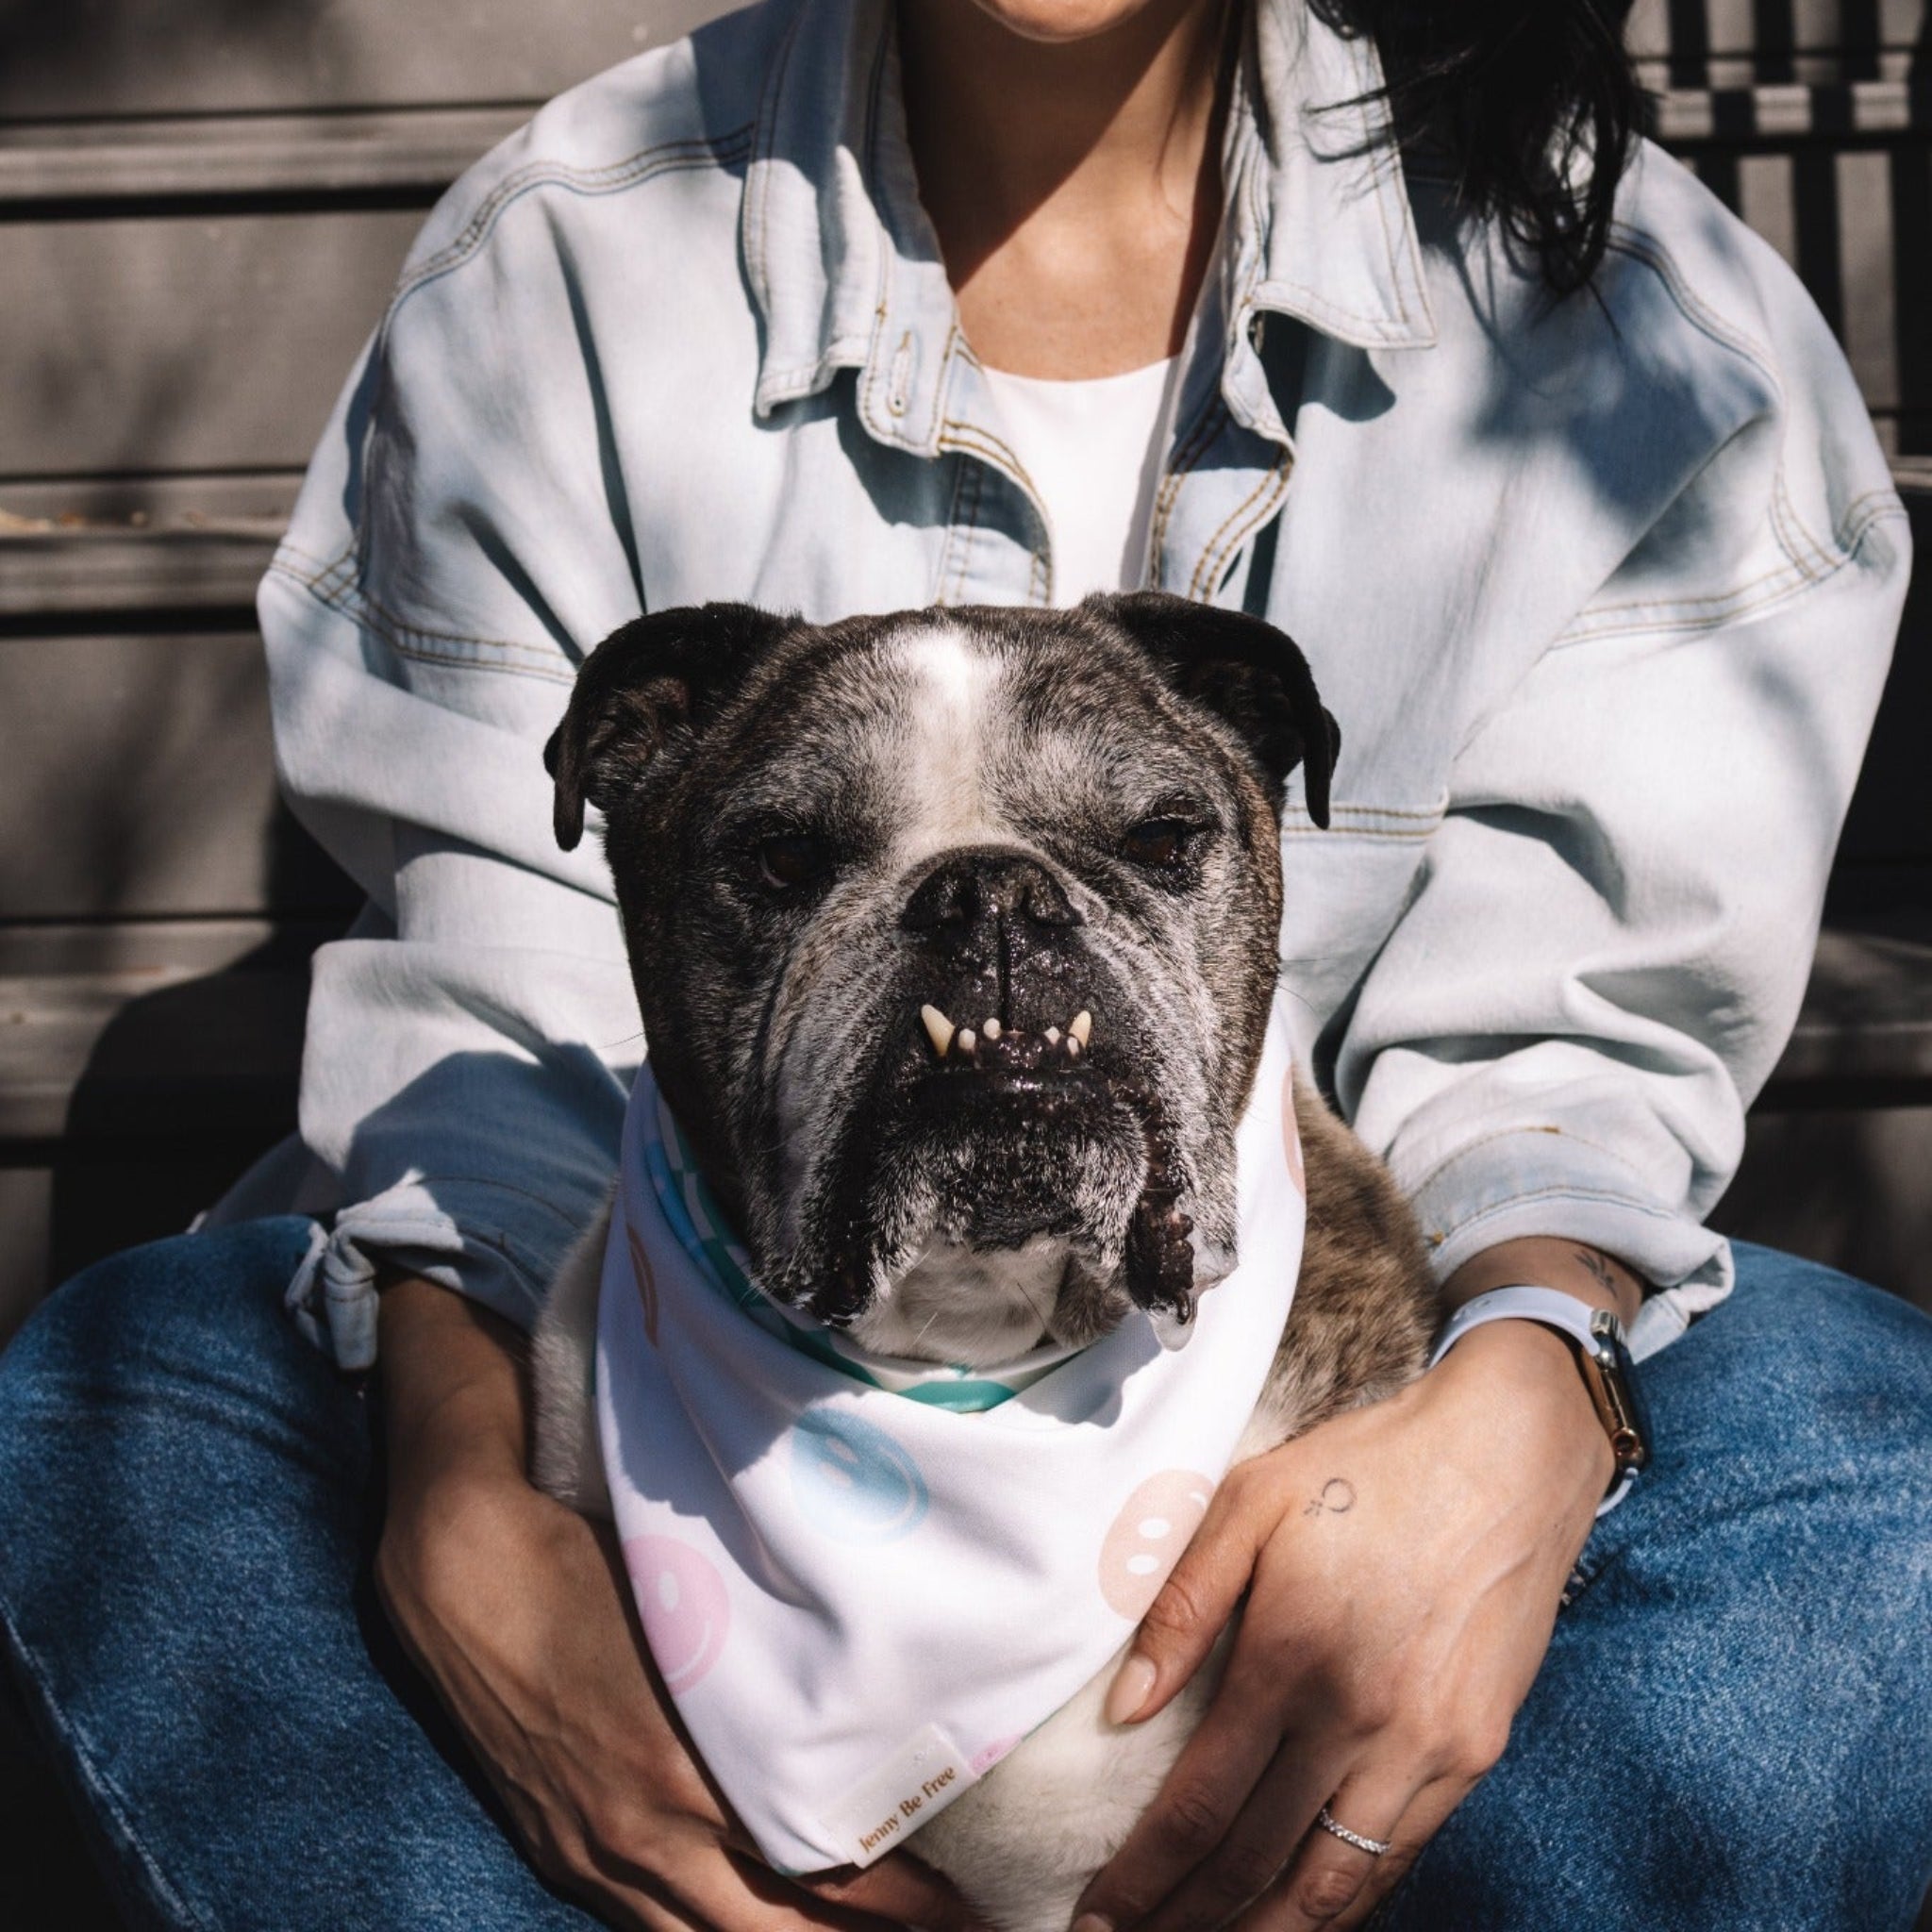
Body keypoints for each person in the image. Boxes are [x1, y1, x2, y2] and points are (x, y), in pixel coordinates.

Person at [1, 0, 1927, 1927]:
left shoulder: (1639, 314)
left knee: (1859, 1452)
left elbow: (1573, 1057)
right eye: (801, 858)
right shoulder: (565, 264)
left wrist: (1521, 1407)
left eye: (1143, 846)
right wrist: (466, 1502)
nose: (999, 940)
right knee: (125, 1405)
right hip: (689, 1359)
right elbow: (497, 1009)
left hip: (1327, 1371)